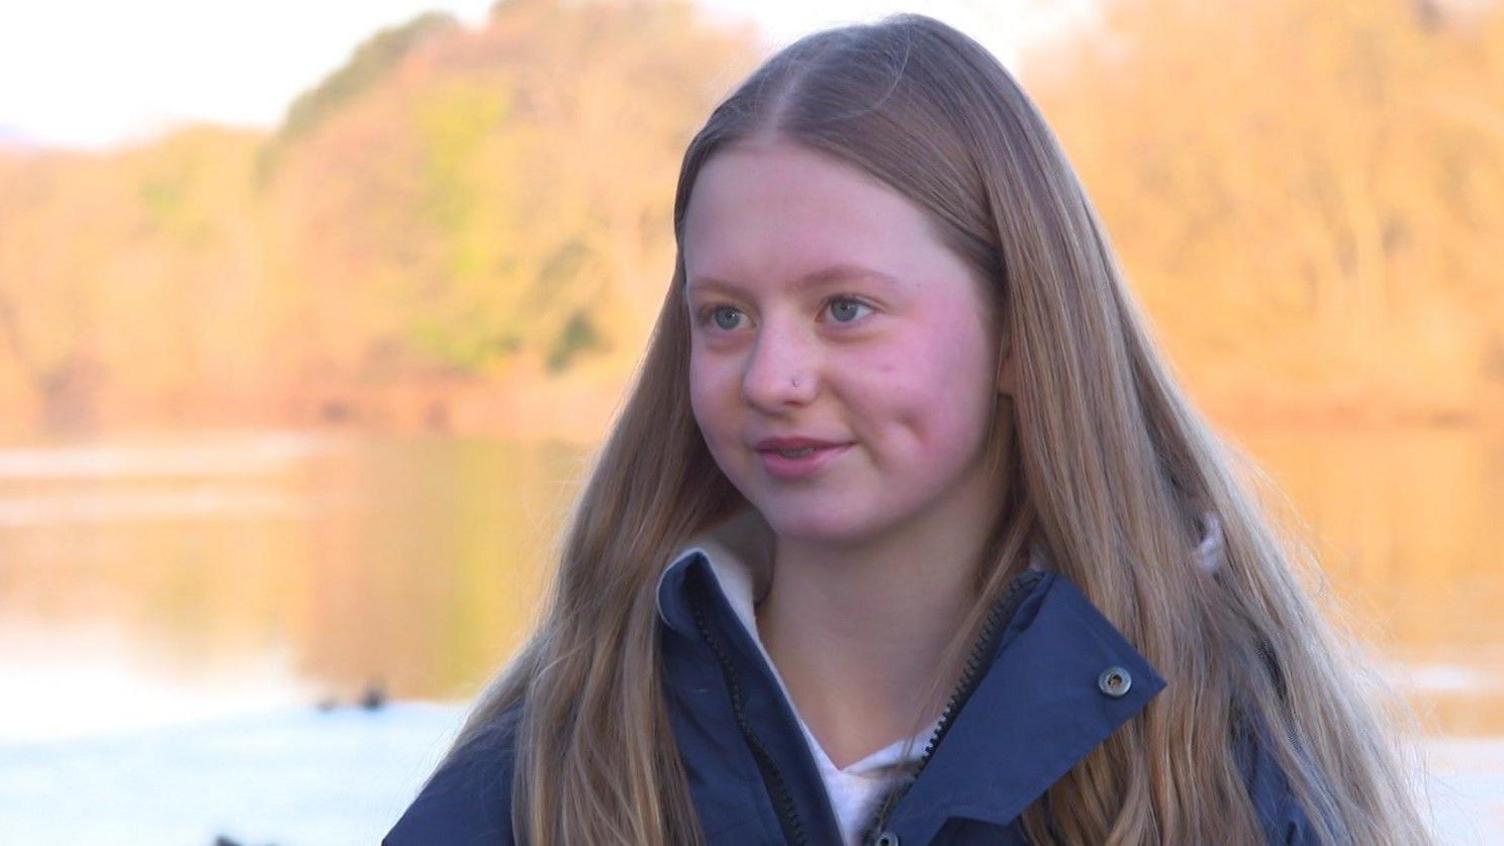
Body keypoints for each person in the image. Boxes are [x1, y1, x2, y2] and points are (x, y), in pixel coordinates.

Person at [385, 13, 1433, 845]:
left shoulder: (1211, 760)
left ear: (1024, 333)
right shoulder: (560, 761)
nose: (772, 376)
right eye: (725, 316)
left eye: (845, 308)